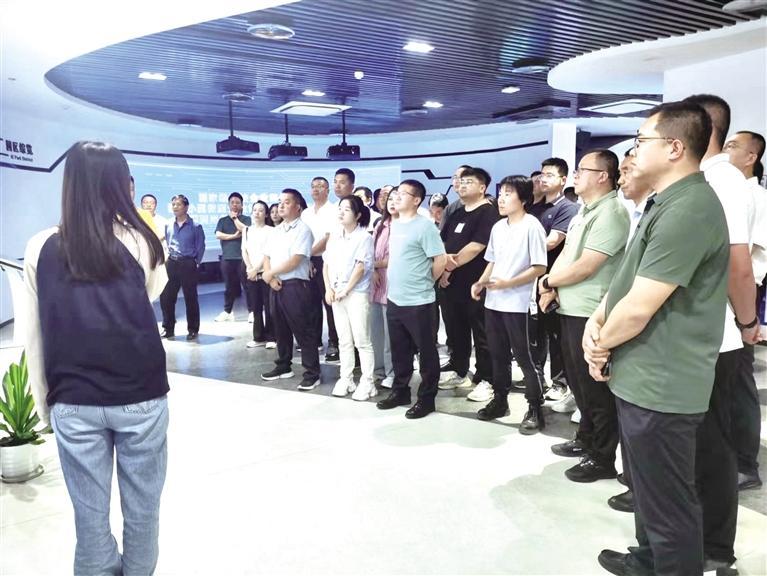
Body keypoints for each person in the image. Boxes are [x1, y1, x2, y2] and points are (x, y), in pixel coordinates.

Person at [585, 101, 729, 576]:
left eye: (641, 141)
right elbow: (627, 280)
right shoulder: (663, 201)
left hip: (663, 381)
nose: (633, 151)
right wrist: (597, 321)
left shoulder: (690, 207)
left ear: (673, 147)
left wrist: (600, 343)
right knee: (648, 490)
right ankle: (647, 560)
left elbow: (642, 305)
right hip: (641, 373)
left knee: (669, 503)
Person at [24, 141, 169, 575]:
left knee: (89, 523)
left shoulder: (39, 246)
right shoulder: (143, 239)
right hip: (140, 394)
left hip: (73, 398)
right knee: (143, 514)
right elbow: (152, 292)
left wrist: (44, 403)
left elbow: (34, 333)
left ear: (69, 183)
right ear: (120, 184)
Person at [684, 93, 759, 573]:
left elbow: (739, 264)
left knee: (713, 444)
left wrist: (749, 322)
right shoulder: (700, 179)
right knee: (694, 443)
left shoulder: (724, 180)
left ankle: (715, 545)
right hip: (696, 337)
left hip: (719, 336)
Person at [539, 150, 629, 482]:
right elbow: (567, 255)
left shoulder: (611, 213)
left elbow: (588, 265)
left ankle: (602, 458)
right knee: (578, 384)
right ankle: (586, 440)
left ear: (603, 176)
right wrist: (550, 286)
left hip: (590, 312)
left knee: (596, 390)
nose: (575, 175)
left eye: (581, 170)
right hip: (569, 307)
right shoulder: (584, 211)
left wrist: (547, 282)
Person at [470, 175, 547, 432]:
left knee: (526, 358)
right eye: (500, 193)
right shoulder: (498, 227)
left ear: (523, 199)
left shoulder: (532, 226)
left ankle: (535, 407)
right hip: (494, 302)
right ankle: (500, 400)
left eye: (508, 193)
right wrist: (481, 282)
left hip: (519, 304)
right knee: (498, 354)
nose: (501, 199)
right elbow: (492, 260)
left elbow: (539, 267)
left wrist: (508, 283)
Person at [376, 179, 446, 419]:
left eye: (403, 193)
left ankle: (427, 399)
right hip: (395, 298)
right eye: (396, 193)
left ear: (416, 200)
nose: (396, 197)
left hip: (419, 301)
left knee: (426, 353)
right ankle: (400, 391)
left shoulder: (425, 227)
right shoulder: (395, 224)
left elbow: (440, 260)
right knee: (400, 351)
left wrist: (427, 282)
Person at [724, 129, 767, 491]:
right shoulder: (726, 189)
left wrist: (746, 317)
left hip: (739, 300)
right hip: (720, 301)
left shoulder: (756, 197)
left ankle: (745, 465)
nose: (726, 151)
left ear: (752, 157)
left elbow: (751, 262)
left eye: (733, 146)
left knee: (739, 384)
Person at [437, 167, 497, 401]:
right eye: (460, 182)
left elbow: (476, 246)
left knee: (482, 333)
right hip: (450, 283)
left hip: (476, 284)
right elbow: (442, 242)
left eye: (468, 182)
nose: (461, 185)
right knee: (455, 330)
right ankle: (459, 370)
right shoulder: (456, 212)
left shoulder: (488, 212)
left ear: (482, 187)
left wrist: (448, 268)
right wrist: (443, 267)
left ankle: (487, 379)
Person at [261, 189, 321, 391]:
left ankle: (312, 373)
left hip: (296, 286)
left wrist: (270, 274)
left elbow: (296, 260)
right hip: (276, 285)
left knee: (304, 331)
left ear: (298, 207)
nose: (281, 205)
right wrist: (270, 278)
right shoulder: (275, 231)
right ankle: (283, 366)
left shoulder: (303, 230)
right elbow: (267, 256)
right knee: (280, 329)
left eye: (287, 202)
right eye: (280, 202)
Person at [533, 158, 578, 405]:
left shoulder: (567, 208)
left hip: (554, 281)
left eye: (549, 175)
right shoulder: (535, 208)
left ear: (563, 180)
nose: (543, 179)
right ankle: (537, 378)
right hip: (531, 279)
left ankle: (561, 383)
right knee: (535, 332)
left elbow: (552, 242)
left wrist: (518, 246)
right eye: (541, 174)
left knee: (556, 335)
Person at [324, 195, 377, 400]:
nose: (341, 212)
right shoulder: (335, 236)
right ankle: (346, 378)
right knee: (344, 340)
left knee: (362, 340)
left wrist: (346, 289)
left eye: (346, 209)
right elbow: (326, 265)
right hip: (336, 293)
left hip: (356, 294)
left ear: (358, 215)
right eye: (340, 208)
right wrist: (329, 289)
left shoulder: (364, 237)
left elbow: (361, 267)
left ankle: (368, 382)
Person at [302, 176, 340, 362]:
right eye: (313, 186)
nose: (316, 189)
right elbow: (302, 238)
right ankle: (314, 340)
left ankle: (334, 342)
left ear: (327, 190)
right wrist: (306, 259)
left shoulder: (333, 211)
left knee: (329, 303)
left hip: (326, 260)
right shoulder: (306, 213)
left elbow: (328, 238)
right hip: (306, 262)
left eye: (320, 186)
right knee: (310, 303)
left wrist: (308, 255)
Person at [160, 194, 206, 341]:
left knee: (190, 298)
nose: (175, 207)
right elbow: (168, 241)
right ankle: (168, 328)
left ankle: (193, 329)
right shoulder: (168, 224)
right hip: (172, 262)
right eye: (173, 204)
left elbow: (200, 246)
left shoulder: (195, 226)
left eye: (178, 204)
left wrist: (196, 262)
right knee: (167, 297)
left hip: (188, 263)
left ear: (186, 207)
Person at [370, 187, 397, 388]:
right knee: (376, 333)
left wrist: (375, 265)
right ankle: (378, 369)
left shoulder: (404, 226)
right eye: (389, 199)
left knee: (391, 335)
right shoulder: (380, 224)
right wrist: (372, 269)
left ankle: (392, 372)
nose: (392, 202)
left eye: (396, 198)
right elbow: (369, 251)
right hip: (375, 285)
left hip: (393, 284)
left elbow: (397, 257)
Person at [242, 200, 276, 349]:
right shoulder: (246, 230)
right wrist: (250, 268)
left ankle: (271, 337)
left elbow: (267, 253)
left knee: (269, 306)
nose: (257, 213)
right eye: (255, 210)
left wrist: (256, 269)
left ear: (266, 214)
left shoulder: (271, 231)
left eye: (261, 210)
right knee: (255, 307)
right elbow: (244, 250)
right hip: (251, 273)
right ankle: (258, 337)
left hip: (265, 272)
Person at [214, 192, 252, 322]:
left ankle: (252, 311)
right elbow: (218, 235)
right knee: (229, 287)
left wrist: (235, 219)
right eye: (232, 202)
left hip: (243, 258)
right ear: (229, 205)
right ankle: (227, 311)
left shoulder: (246, 219)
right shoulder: (223, 220)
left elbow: (244, 230)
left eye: (237, 202)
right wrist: (233, 236)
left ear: (242, 205)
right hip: (227, 258)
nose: (235, 205)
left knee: (247, 286)